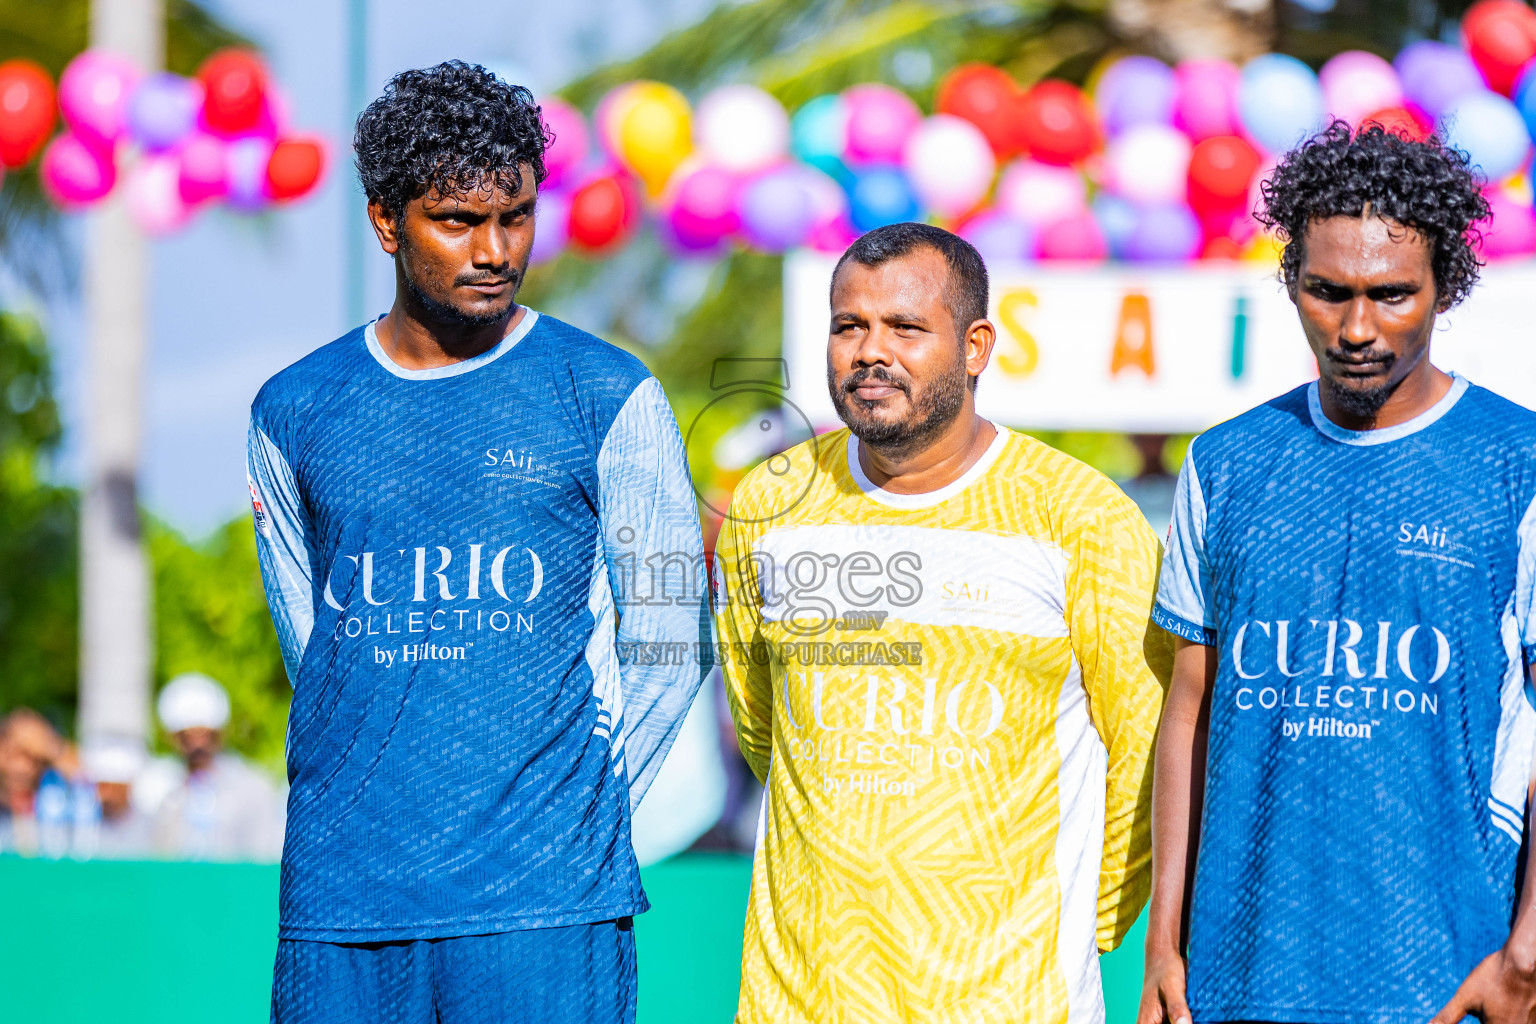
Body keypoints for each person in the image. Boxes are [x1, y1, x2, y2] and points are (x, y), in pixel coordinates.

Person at [247, 62, 710, 1023]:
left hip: (543, 906)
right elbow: (315, 649)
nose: (494, 249)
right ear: (385, 222)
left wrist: (575, 810)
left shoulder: (606, 392)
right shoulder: (293, 408)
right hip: (342, 897)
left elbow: (671, 641)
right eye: (457, 221)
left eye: (516, 216)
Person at [713, 222, 1172, 1021]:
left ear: (975, 346)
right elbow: (768, 732)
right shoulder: (767, 504)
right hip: (799, 997)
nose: (869, 352)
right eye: (848, 326)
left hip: (1009, 997)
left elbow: (1150, 750)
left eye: (906, 328)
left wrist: (1080, 924)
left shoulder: (1081, 519)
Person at [1140, 122, 1536, 1024]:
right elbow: (1189, 711)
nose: (1358, 328)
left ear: (1446, 288)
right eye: (1329, 293)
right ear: (1291, 284)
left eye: (1393, 295)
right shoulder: (1225, 464)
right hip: (1240, 978)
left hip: (1448, 975)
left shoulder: (1520, 464)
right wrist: (1166, 942)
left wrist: (1526, 953)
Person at [152, 673, 284, 862]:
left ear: (221, 733)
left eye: (206, 735)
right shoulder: (158, 785)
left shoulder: (253, 787)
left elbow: (264, 855)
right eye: (187, 737)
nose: (198, 745)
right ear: (171, 737)